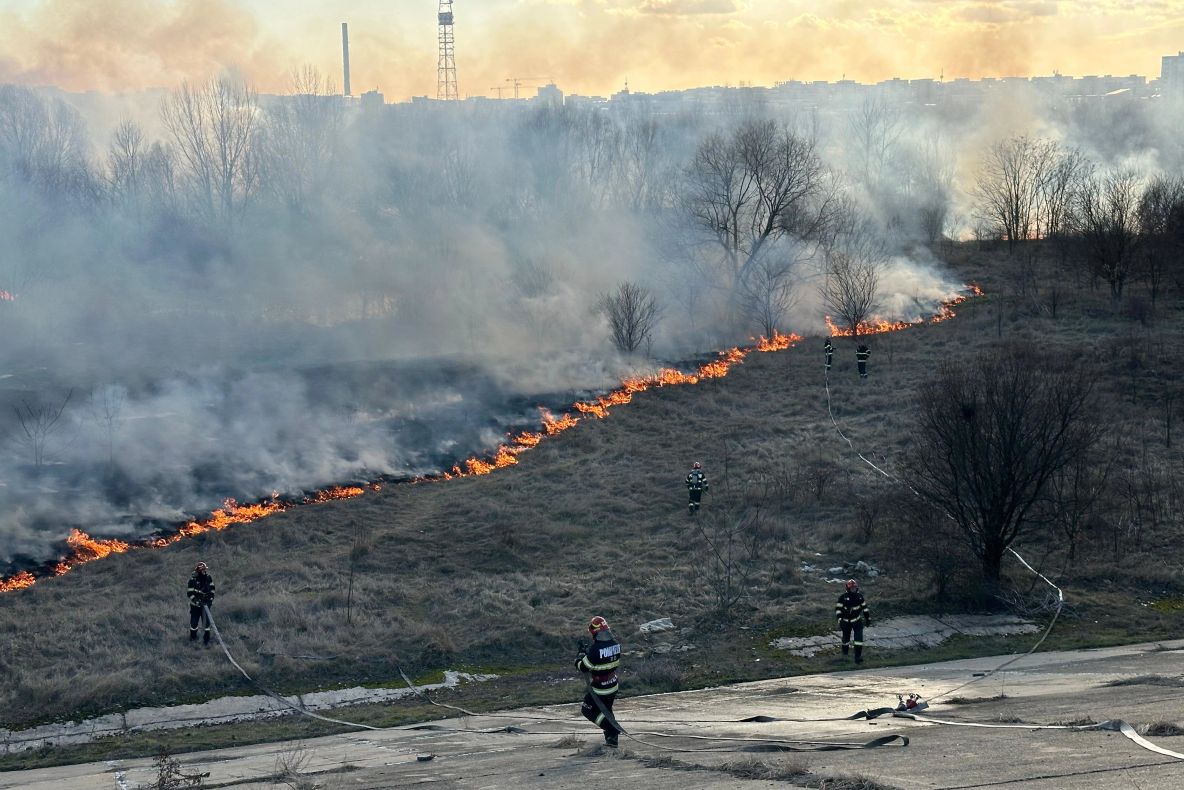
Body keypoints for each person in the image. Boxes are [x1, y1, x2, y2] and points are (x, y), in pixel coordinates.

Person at [575, 615, 622, 747]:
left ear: (594, 632)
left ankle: (611, 729)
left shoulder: (595, 650)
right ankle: (612, 741)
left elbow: (584, 667)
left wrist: (579, 657)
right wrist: (587, 655)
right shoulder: (616, 645)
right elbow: (600, 660)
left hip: (600, 688)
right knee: (606, 710)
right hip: (612, 684)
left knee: (588, 710)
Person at [835, 578, 871, 663]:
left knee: (858, 639)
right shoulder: (843, 597)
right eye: (852, 588)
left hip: (857, 621)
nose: (853, 590)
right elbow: (838, 609)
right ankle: (845, 656)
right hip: (846, 622)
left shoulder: (859, 597)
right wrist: (840, 619)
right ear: (848, 588)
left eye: (854, 588)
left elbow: (865, 609)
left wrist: (868, 619)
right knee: (845, 640)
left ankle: (857, 657)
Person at [187, 561, 216, 646]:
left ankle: (206, 640)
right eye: (203, 570)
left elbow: (212, 588)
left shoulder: (208, 578)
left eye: (205, 570)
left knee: (206, 623)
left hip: (206, 604)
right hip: (195, 606)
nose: (204, 572)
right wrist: (196, 601)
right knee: (194, 623)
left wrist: (210, 598)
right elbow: (190, 593)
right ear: (199, 571)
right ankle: (193, 637)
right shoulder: (192, 581)